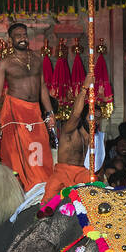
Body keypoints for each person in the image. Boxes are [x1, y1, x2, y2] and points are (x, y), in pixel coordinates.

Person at [0, 22, 55, 192]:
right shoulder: (5, 63)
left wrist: (50, 113)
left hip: (34, 111)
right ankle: (18, 192)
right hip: (13, 112)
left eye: (24, 35)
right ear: (10, 39)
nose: (22, 38)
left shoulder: (37, 59)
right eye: (18, 35)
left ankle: (40, 190)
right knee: (15, 155)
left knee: (39, 150)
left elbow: (42, 87)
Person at [42, 66, 99, 200]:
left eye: (98, 118)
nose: (95, 121)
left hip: (82, 174)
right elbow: (76, 113)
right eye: (92, 117)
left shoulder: (91, 137)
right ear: (84, 117)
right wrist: (84, 88)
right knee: (47, 207)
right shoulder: (70, 131)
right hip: (63, 174)